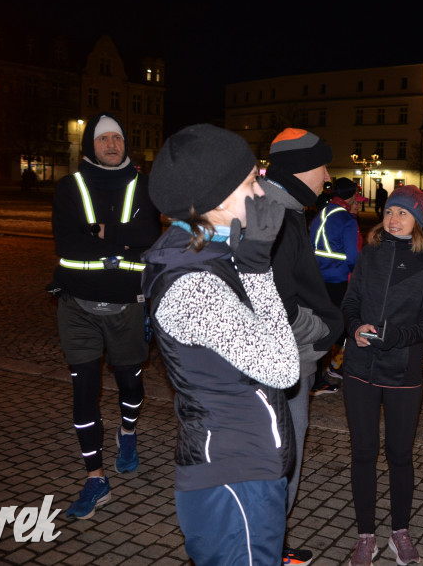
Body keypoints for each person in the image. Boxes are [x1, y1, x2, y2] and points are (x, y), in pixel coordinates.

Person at [141, 124, 299, 566]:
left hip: (241, 464)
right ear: (216, 200)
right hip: (234, 476)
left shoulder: (207, 252)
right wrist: (258, 272)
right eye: (251, 180)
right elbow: (283, 369)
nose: (262, 189)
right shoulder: (193, 286)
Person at [51, 113, 161, 520]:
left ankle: (128, 432)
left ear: (125, 143)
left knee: (131, 386)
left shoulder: (143, 185)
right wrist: (121, 241)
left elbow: (149, 239)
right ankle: (96, 478)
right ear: (90, 146)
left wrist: (99, 232)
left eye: (117, 137)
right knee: (85, 392)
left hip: (127, 307)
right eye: (103, 139)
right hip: (77, 307)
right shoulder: (69, 186)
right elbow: (67, 245)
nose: (111, 145)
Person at [341, 186, 423, 566]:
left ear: (417, 220)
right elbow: (350, 302)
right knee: (364, 452)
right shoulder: (370, 255)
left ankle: (399, 530)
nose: (393, 219)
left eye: (402, 213)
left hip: (403, 371)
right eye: (389, 212)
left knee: (400, 455)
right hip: (359, 369)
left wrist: (393, 336)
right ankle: (365, 534)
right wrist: (354, 327)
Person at [262, 128, 344, 565]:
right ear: (300, 168)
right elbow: (275, 306)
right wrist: (320, 333)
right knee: (282, 460)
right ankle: (267, 551)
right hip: (287, 361)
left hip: (291, 358)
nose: (328, 175)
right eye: (323, 165)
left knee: (279, 459)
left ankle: (271, 544)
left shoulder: (285, 207)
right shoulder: (276, 214)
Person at [309, 176, 362, 394]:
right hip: (339, 280)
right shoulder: (346, 220)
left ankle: (315, 375)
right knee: (340, 327)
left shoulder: (321, 213)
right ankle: (333, 369)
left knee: (319, 328)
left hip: (316, 279)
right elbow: (353, 257)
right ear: (350, 198)